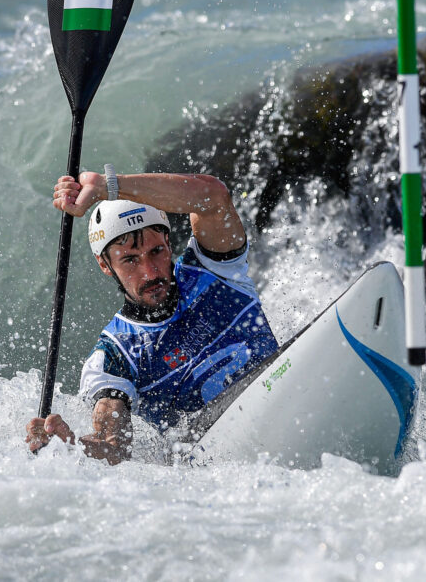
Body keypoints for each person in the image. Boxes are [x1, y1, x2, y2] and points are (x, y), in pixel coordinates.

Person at [25, 169, 279, 464]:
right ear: (105, 265)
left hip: (288, 394)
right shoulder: (115, 356)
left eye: (156, 251)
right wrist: (70, 447)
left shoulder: (213, 270)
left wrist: (109, 186)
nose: (150, 271)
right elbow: (115, 448)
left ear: (170, 243)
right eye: (130, 259)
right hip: (227, 464)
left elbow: (214, 197)